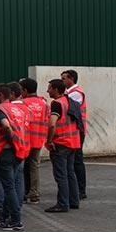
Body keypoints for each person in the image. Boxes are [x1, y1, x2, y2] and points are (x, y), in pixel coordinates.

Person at [0, 85, 28, 231]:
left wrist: (11, 140)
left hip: (6, 152)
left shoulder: (0, 109)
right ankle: (4, 217)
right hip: (19, 151)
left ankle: (16, 220)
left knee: (9, 187)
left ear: (0, 95)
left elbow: (6, 126)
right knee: (11, 185)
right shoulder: (18, 109)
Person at [45, 79, 81, 213]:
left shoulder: (56, 104)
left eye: (49, 88)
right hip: (73, 142)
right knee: (70, 173)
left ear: (55, 89)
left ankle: (62, 204)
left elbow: (52, 124)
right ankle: (74, 201)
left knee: (61, 176)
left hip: (60, 143)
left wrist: (49, 141)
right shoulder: (70, 102)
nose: (47, 90)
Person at [19, 78, 48, 204]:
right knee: (34, 167)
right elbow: (48, 121)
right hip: (38, 140)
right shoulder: (44, 103)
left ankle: (23, 193)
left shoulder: (22, 103)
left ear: (25, 90)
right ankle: (34, 193)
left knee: (20, 167)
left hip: (24, 141)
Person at [61, 69, 88, 199]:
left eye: (64, 79)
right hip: (74, 130)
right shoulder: (69, 93)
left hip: (77, 130)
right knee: (75, 160)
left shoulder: (75, 93)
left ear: (71, 79)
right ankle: (76, 188)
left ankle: (81, 190)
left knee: (77, 160)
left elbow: (69, 110)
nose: (63, 81)